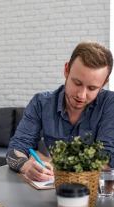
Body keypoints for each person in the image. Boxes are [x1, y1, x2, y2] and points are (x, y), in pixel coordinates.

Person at [7, 41, 114, 182]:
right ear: (66, 70)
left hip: (98, 192)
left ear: (103, 84)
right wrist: (27, 166)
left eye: (92, 88)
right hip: (54, 189)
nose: (81, 95)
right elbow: (15, 150)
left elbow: (107, 159)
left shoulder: (109, 104)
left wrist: (48, 160)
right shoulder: (41, 102)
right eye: (77, 83)